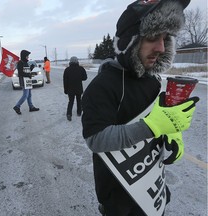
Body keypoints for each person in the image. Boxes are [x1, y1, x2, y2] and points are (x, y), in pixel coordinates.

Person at [81, 0, 199, 215]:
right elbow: (96, 140)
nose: (161, 48)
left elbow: (156, 123)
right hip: (119, 201)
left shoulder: (152, 80)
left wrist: (171, 135)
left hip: (154, 192)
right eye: (153, 38)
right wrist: (152, 127)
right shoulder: (102, 86)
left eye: (165, 39)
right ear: (130, 42)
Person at [13, 50, 39, 115]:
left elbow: (27, 71)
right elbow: (21, 73)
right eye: (27, 56)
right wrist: (28, 75)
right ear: (24, 56)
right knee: (25, 95)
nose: (28, 57)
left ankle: (31, 107)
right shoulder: (20, 63)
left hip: (28, 81)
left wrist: (31, 68)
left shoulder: (26, 63)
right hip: (23, 81)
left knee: (29, 95)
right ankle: (17, 106)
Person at [63, 56, 87, 121]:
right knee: (79, 100)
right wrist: (79, 77)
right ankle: (79, 112)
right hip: (79, 88)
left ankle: (69, 114)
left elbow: (65, 81)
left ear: (70, 62)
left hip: (70, 89)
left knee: (71, 101)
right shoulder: (81, 69)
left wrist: (65, 90)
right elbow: (85, 78)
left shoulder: (67, 70)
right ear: (77, 61)